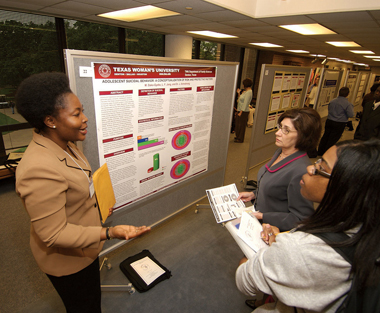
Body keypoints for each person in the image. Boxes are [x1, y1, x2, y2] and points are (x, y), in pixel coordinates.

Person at [15, 72, 151, 313]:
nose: (85, 119)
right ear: (50, 121)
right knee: (84, 306)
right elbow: (54, 234)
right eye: (77, 114)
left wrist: (99, 202)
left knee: (91, 300)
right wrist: (109, 232)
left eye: (82, 110)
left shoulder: (65, 143)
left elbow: (76, 184)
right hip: (67, 261)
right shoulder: (37, 168)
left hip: (85, 246)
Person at [236, 139, 380, 312]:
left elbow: (245, 281)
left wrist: (255, 257)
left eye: (322, 168)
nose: (310, 168)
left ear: (346, 188)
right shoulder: (365, 225)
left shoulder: (303, 248)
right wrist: (278, 241)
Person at [237, 107, 321, 232]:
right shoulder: (280, 152)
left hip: (273, 232)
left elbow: (301, 218)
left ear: (303, 136)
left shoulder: (301, 171)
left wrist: (262, 216)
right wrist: (254, 194)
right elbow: (278, 189)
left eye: (286, 130)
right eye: (280, 127)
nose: (278, 133)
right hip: (259, 224)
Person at [317, 87, 354, 155]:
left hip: (329, 120)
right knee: (333, 139)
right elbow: (351, 114)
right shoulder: (347, 104)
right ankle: (327, 153)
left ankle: (320, 151)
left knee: (326, 136)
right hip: (339, 123)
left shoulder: (332, 101)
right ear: (348, 94)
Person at [234, 78, 253, 143]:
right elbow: (240, 100)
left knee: (241, 125)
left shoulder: (249, 92)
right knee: (238, 125)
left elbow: (245, 103)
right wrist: (239, 93)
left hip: (244, 111)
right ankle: (237, 136)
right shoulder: (246, 92)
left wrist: (241, 112)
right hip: (240, 110)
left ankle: (240, 138)